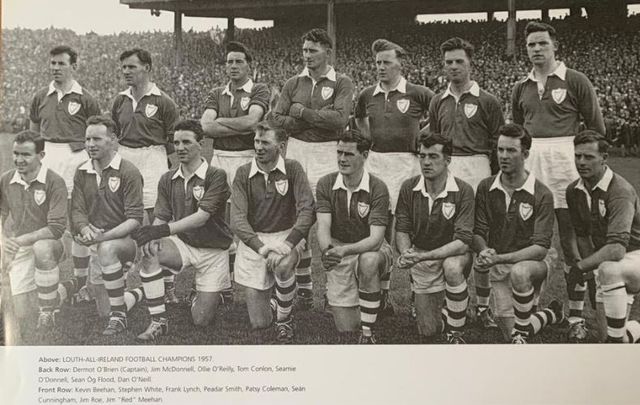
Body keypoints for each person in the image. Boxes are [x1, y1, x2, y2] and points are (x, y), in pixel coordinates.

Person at [511, 21, 605, 342]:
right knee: (530, 241)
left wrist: (586, 169)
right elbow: (517, 134)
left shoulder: (575, 80)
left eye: (542, 43)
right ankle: (530, 309)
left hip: (567, 165)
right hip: (532, 166)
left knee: (571, 242)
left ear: (555, 45)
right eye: (531, 45)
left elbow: (596, 129)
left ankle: (576, 316)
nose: (536, 49)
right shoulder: (520, 87)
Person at [270, 28, 354, 310]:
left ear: (327, 52)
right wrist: (310, 120)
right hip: (297, 151)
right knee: (297, 217)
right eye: (305, 50)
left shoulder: (342, 82)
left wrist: (303, 113)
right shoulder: (293, 82)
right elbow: (278, 118)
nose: (307, 55)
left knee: (331, 219)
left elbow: (339, 120)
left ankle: (334, 292)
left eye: (313, 51)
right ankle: (304, 289)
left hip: (328, 152)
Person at [132, 120, 233, 342]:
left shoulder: (216, 175)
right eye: (176, 143)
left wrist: (160, 230)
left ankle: (210, 291)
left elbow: (201, 218)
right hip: (184, 245)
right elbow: (162, 216)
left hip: (214, 250)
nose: (180, 148)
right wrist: (153, 234)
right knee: (151, 250)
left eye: (186, 142)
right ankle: (158, 321)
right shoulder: (167, 178)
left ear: (201, 144)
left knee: (201, 320)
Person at [428, 37, 505, 329]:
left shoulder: (487, 100)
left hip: (479, 167)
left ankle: (484, 307)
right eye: (449, 62)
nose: (454, 66)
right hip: (449, 170)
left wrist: (494, 178)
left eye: (459, 61)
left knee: (481, 237)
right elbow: (434, 143)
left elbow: (499, 143)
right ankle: (448, 303)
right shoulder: (438, 100)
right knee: (448, 236)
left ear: (471, 63)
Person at [355, 39, 434, 316]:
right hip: (377, 164)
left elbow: (439, 115)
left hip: (408, 164)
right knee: (380, 231)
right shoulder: (367, 94)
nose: (381, 67)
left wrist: (422, 136)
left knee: (413, 229)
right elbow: (359, 120)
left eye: (386, 62)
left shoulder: (418, 92)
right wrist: (368, 139)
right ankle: (384, 294)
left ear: (401, 64)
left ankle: (417, 296)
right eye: (377, 62)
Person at [473, 123, 564, 344]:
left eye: (511, 150)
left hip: (532, 263)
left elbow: (541, 247)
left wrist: (498, 258)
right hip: (499, 262)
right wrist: (484, 250)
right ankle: (550, 314)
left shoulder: (541, 193)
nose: (503, 156)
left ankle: (523, 327)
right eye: (500, 149)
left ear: (525, 154)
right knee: (508, 330)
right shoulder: (485, 187)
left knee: (520, 273)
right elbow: (478, 231)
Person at [230, 121, 315, 343]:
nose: (258, 147)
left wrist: (288, 245)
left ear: (282, 146)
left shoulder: (293, 168)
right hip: (255, 242)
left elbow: (307, 210)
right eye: (256, 141)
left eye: (265, 142)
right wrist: (263, 248)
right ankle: (279, 298)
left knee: (284, 265)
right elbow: (237, 220)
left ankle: (285, 321)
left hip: (286, 236)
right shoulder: (242, 173)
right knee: (259, 323)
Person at [29, 45, 101, 303]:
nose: (56, 68)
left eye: (61, 63)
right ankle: (45, 282)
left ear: (74, 66)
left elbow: (97, 134)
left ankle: (82, 283)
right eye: (53, 63)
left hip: (76, 159)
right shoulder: (40, 96)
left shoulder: (86, 98)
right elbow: (33, 133)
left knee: (79, 219)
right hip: (48, 158)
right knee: (44, 218)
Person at [201, 41, 270, 306]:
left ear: (249, 64)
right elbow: (205, 127)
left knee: (246, 220)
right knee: (220, 220)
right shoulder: (216, 92)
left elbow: (253, 122)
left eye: (238, 61)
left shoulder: (260, 89)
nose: (233, 66)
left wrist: (219, 123)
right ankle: (225, 283)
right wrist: (235, 126)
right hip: (218, 159)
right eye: (229, 61)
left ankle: (254, 282)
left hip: (247, 158)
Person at [111, 48, 180, 302]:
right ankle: (124, 279)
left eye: (132, 67)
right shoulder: (120, 100)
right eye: (124, 67)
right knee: (125, 219)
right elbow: (115, 132)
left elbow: (174, 141)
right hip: (126, 158)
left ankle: (168, 286)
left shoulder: (164, 101)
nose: (126, 72)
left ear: (147, 68)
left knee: (157, 222)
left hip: (154, 159)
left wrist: (157, 157)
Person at [395, 133, 475, 343]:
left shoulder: (463, 190)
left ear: (448, 160)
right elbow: (401, 230)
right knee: (428, 331)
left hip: (453, 255)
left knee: (452, 266)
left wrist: (426, 256)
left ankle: (456, 334)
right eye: (422, 156)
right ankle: (450, 309)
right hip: (422, 258)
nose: (426, 162)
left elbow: (463, 241)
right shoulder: (408, 187)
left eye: (433, 156)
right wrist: (406, 252)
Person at [315, 128, 392, 343]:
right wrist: (328, 251)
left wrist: (344, 250)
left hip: (370, 249)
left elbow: (376, 239)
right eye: (339, 152)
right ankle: (371, 296)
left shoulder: (378, 187)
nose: (341, 158)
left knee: (368, 261)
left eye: (348, 154)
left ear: (365, 155)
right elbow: (323, 227)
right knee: (346, 328)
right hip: (339, 250)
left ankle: (368, 333)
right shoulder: (325, 183)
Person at [70, 115, 144, 335]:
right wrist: (85, 229)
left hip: (126, 243)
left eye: (97, 139)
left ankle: (120, 317)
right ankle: (139, 292)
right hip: (98, 241)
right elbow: (77, 210)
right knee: (104, 311)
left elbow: (135, 219)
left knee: (107, 248)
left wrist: (102, 237)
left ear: (113, 140)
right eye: (87, 139)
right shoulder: (82, 171)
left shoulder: (128, 171)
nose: (90, 145)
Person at [565, 130, 640, 343]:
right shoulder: (574, 190)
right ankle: (626, 336)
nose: (581, 162)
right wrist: (591, 275)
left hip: (635, 256)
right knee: (605, 337)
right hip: (610, 260)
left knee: (609, 268)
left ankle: (615, 345)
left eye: (588, 157)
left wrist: (581, 267)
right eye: (577, 156)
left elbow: (617, 248)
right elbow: (582, 235)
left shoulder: (620, 190)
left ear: (604, 158)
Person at [0, 131, 68, 331]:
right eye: (16, 153)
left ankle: (48, 311)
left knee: (41, 248)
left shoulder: (55, 182)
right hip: (18, 245)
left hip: (50, 242)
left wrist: (17, 241)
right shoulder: (6, 179)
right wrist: (3, 240)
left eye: (26, 155)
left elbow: (55, 228)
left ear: (41, 156)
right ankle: (65, 289)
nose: (19, 160)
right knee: (23, 312)